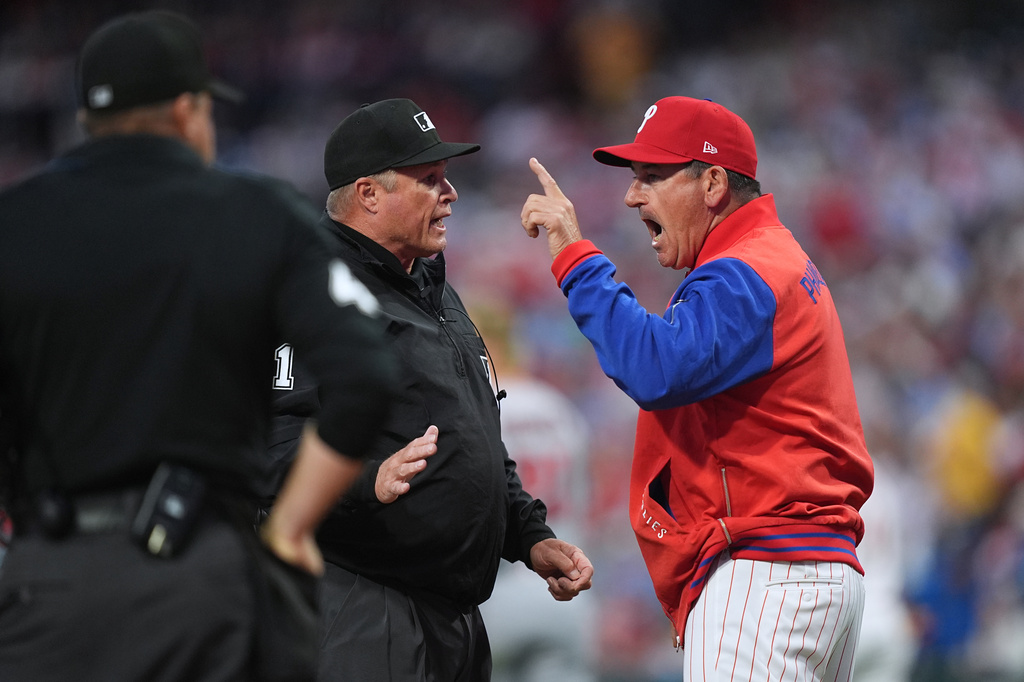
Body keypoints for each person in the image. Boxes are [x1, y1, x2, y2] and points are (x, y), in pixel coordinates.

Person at [0, 11, 396, 682]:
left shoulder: (13, 224)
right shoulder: (256, 212)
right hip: (198, 575)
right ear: (188, 110)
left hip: (45, 576)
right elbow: (363, 374)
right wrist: (291, 527)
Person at [520, 96, 874, 680]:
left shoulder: (746, 269)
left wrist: (575, 257)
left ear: (712, 182)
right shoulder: (774, 258)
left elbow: (656, 369)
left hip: (764, 575)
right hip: (808, 569)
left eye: (652, 177)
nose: (633, 196)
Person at [270, 97, 594, 682]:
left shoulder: (432, 287)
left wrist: (528, 535)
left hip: (455, 615)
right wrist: (365, 480)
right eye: (429, 180)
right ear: (368, 193)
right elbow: (267, 447)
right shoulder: (309, 288)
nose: (450, 194)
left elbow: (475, 437)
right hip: (361, 602)